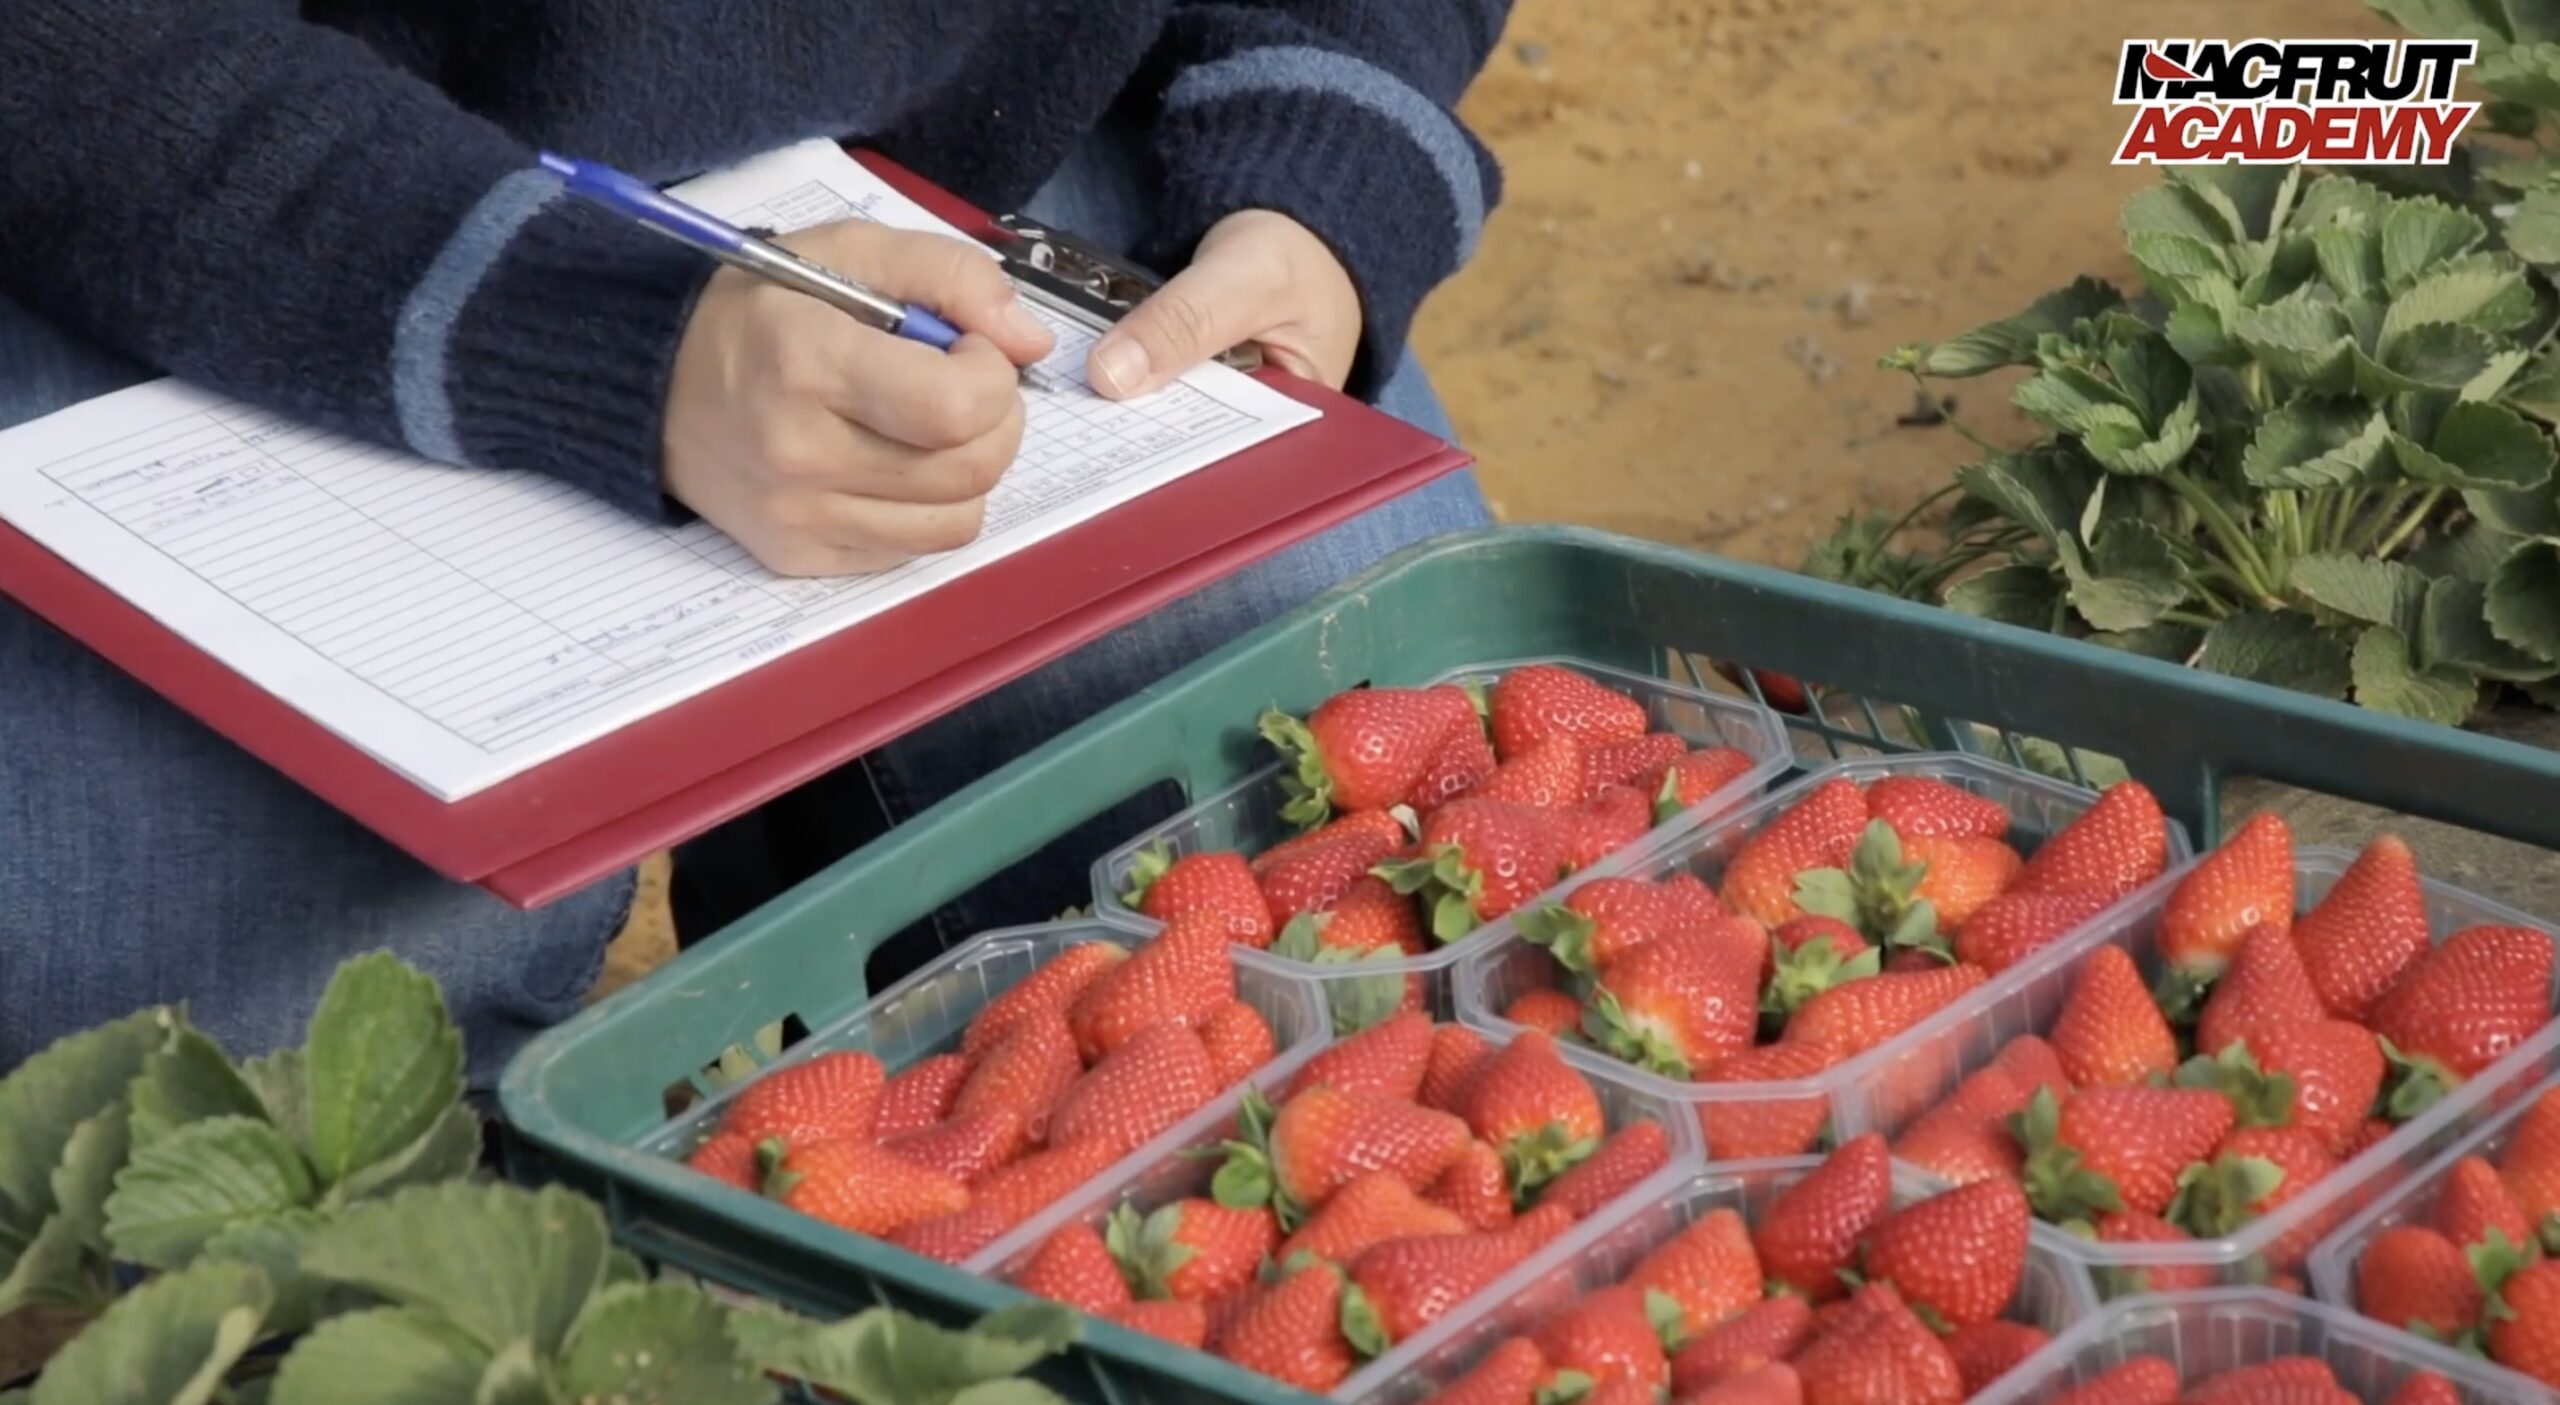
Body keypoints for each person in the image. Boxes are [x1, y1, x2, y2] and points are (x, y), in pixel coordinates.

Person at [0, 1, 1511, 1085]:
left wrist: (1331, 139)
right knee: (238, 1060)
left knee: (1389, 860)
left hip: (997, 123)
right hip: (227, 172)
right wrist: (582, 335)